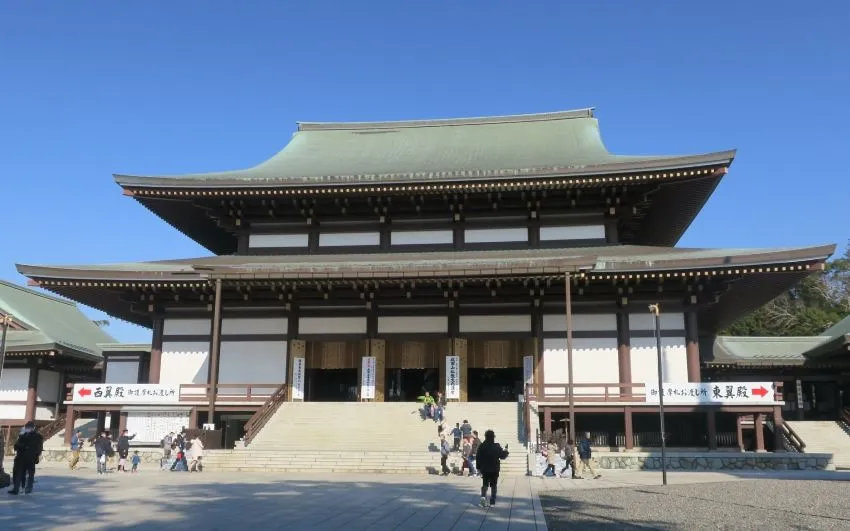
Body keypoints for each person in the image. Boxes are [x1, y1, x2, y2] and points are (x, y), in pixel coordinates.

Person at [475, 429, 509, 508]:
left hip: (485, 469)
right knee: (494, 485)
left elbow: (478, 457)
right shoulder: (496, 446)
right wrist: (506, 451)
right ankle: (492, 502)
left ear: (485, 437)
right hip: (494, 469)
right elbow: (502, 456)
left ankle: (483, 499)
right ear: (493, 437)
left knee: (485, 485)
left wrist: (478, 468)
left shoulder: (482, 446)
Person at [8, 421, 43, 495]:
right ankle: (21, 488)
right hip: (25, 458)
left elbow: (16, 446)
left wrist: (36, 455)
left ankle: (21, 488)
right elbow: (16, 446)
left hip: (25, 458)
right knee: (23, 474)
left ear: (33, 428)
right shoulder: (24, 435)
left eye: (28, 427)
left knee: (25, 474)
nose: (27, 429)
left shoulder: (29, 436)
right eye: (27, 427)